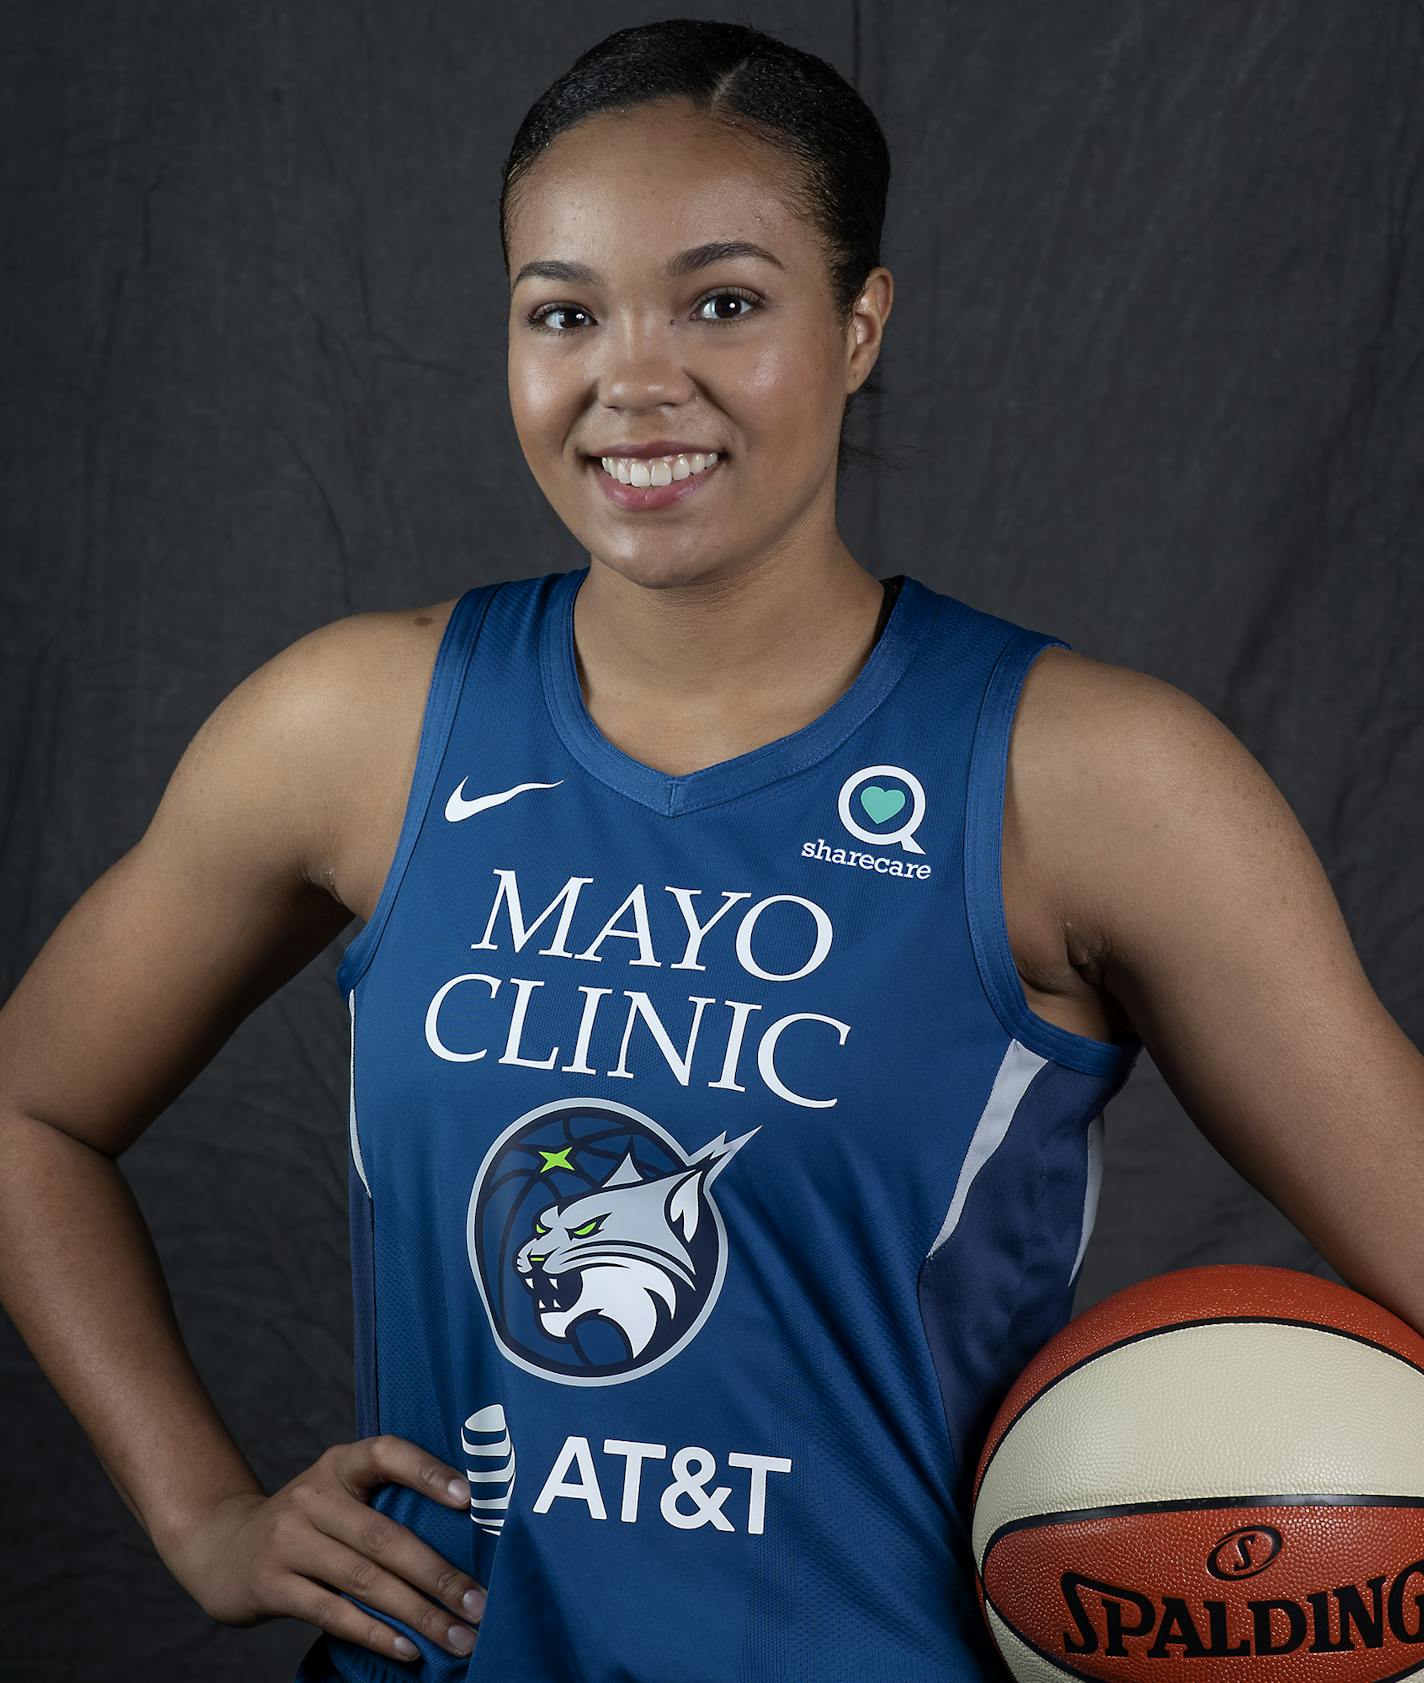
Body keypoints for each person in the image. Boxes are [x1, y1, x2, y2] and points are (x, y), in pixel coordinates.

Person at [1, 15, 1420, 1683]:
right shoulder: (359, 725)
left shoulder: (1090, 778)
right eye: (564, 312)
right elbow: (29, 1111)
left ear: (859, 325)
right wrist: (202, 1515)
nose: (633, 378)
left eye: (724, 302)